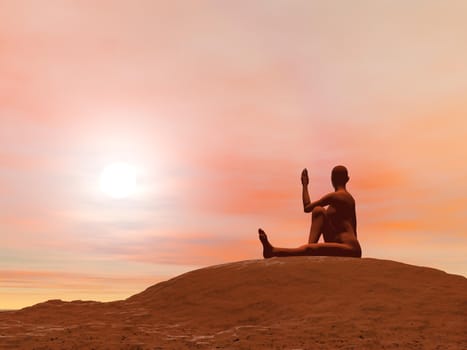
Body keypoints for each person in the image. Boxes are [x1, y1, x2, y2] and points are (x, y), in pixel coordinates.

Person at [258, 165, 362, 258]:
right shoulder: (349, 199)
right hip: (341, 243)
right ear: (347, 179)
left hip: (349, 248)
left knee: (311, 248)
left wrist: (304, 185)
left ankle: (273, 251)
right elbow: (354, 228)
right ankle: (309, 249)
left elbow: (307, 207)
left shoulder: (338, 196)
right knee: (319, 211)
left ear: (332, 179)